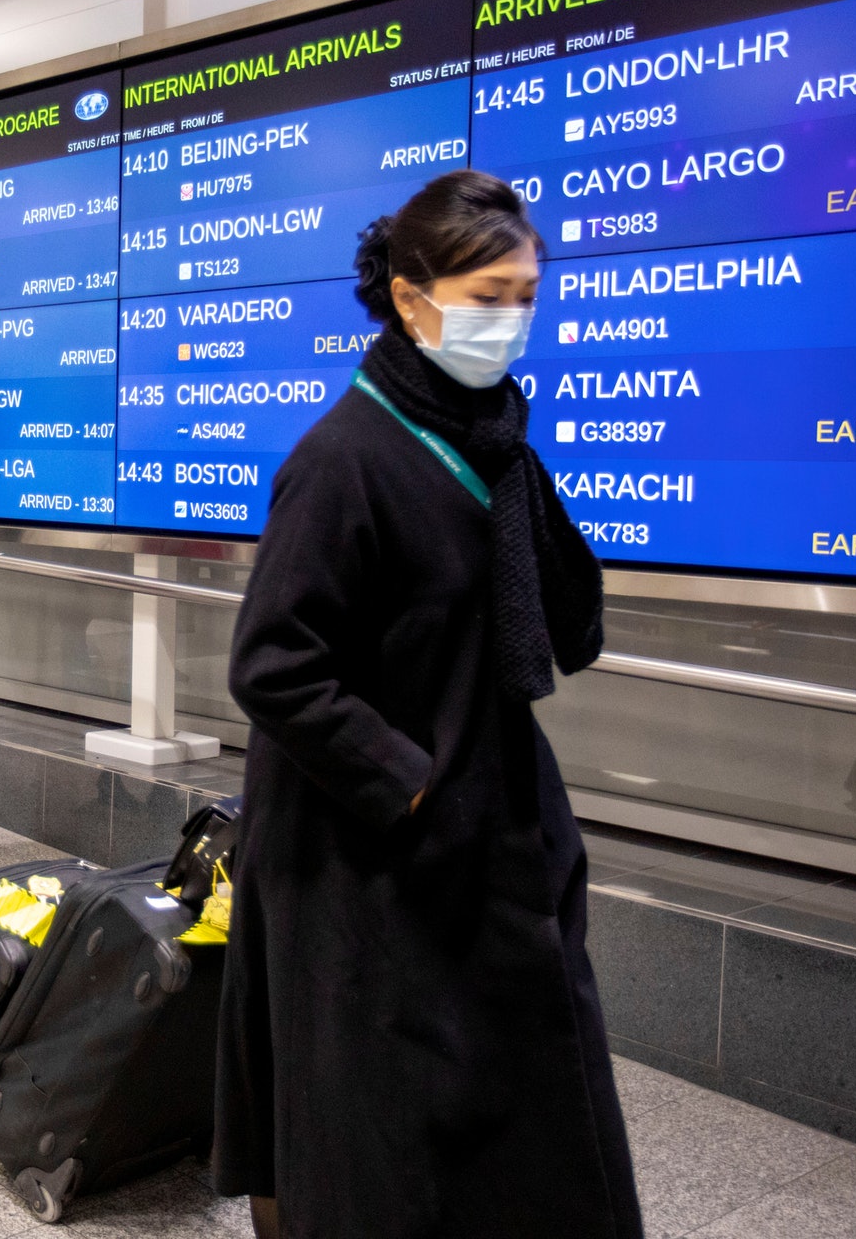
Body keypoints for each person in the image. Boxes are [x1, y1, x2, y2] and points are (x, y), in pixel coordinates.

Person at [212, 170, 642, 1239]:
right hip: (370, 855)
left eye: (528, 294)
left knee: (525, 1107)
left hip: (488, 835)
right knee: (381, 1129)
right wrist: (410, 786)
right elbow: (271, 664)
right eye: (489, 293)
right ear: (413, 298)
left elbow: (554, 622)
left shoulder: (491, 442)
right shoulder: (344, 459)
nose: (513, 318)